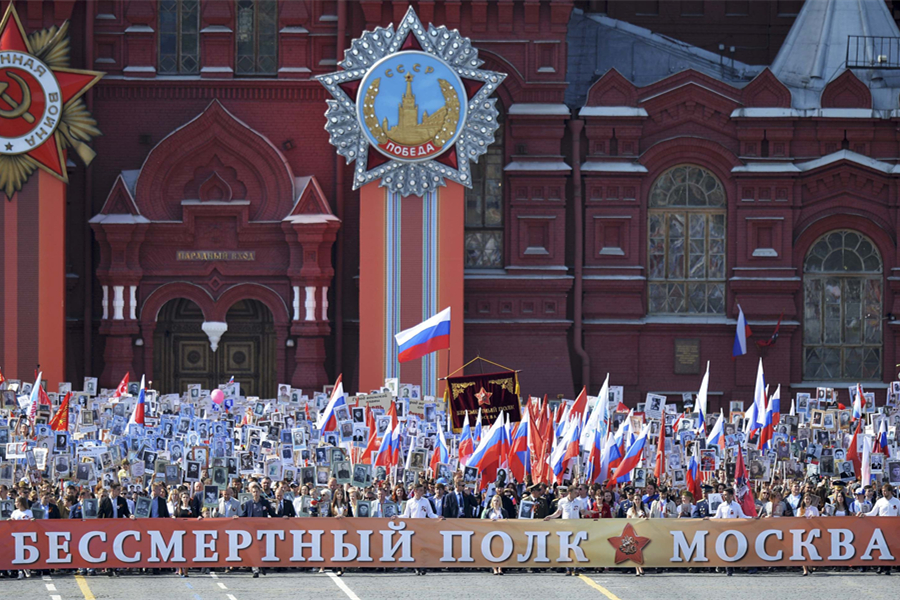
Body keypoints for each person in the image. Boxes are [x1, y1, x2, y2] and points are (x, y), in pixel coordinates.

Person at [398, 483, 444, 575]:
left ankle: (423, 566)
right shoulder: (410, 502)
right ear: (415, 491)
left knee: (423, 547)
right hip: (413, 527)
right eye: (421, 490)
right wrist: (397, 517)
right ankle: (416, 567)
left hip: (423, 527)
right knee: (415, 548)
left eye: (423, 490)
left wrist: (437, 517)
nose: (423, 492)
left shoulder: (425, 501)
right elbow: (406, 515)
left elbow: (430, 514)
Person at [544, 486, 587, 576]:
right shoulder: (562, 501)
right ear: (570, 493)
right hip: (565, 528)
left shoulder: (579, 502)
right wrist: (550, 516)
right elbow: (558, 513)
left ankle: (576, 568)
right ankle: (568, 568)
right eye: (575, 492)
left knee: (576, 547)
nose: (577, 494)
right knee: (566, 548)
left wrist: (590, 512)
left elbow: (583, 512)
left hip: (576, 527)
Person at [709, 487, 752, 576]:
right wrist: (708, 518)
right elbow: (717, 517)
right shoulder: (721, 506)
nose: (724, 496)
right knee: (726, 549)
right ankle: (728, 568)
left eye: (726, 495)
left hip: (734, 529)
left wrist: (752, 518)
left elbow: (742, 516)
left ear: (731, 496)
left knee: (733, 549)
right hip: (724, 530)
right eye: (724, 495)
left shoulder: (736, 505)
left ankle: (733, 567)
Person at [236, 482, 273, 577]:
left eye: (257, 491)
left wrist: (282, 517)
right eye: (254, 492)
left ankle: (262, 565)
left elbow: (272, 514)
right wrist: (238, 518)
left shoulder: (264, 502)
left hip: (263, 529)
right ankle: (255, 569)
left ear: (260, 492)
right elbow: (244, 515)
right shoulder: (248, 504)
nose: (255, 493)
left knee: (262, 549)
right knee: (253, 549)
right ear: (251, 493)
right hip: (251, 529)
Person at [481, 495, 508, 575]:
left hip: (502, 532)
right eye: (494, 500)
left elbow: (508, 521)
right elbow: (483, 522)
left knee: (502, 550)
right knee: (492, 551)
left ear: (500, 502)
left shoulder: (503, 511)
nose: (496, 502)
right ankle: (494, 568)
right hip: (491, 533)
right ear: (492, 502)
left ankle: (500, 568)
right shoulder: (488, 511)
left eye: (497, 500)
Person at [10, 497, 33, 579]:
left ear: (20, 503)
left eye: (16, 502)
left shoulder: (28, 512)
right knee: (18, 553)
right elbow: (12, 521)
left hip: (27, 535)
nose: (15, 504)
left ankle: (26, 568)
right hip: (17, 535)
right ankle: (20, 570)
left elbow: (31, 521)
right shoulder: (15, 512)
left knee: (26, 553)